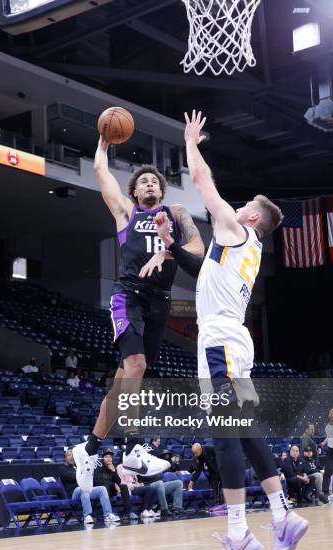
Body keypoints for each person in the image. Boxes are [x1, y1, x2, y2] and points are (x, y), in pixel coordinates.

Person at [154, 110, 308, 550]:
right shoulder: (248, 249)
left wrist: (190, 143)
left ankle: (240, 535)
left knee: (224, 434)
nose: (235, 205)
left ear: (254, 217)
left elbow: (201, 180)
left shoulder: (237, 230)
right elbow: (204, 274)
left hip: (220, 340)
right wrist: (173, 247)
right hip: (237, 341)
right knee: (241, 429)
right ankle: (283, 513)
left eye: (243, 205)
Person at [72, 134, 204, 491]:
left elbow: (198, 247)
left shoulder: (175, 214)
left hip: (160, 302)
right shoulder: (126, 212)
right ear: (135, 192)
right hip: (128, 295)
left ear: (161, 192)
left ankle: (90, 447)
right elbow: (101, 172)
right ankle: (132, 445)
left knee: (123, 384)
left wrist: (168, 249)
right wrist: (101, 142)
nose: (149, 183)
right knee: (138, 366)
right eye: (143, 181)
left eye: (154, 182)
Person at [59, 449, 119, 523]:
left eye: (73, 455)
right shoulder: (63, 468)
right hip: (73, 493)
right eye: (69, 455)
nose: (71, 457)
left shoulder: (79, 467)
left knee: (102, 489)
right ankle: (87, 515)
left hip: (85, 491)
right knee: (83, 489)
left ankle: (108, 515)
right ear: (65, 458)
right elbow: (73, 476)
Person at [93, 449, 138, 520]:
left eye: (110, 457)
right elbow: (98, 481)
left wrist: (114, 471)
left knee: (123, 486)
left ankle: (128, 512)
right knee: (105, 487)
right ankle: (108, 514)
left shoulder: (112, 466)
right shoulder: (98, 467)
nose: (109, 458)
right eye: (107, 456)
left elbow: (119, 481)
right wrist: (113, 484)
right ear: (103, 458)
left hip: (111, 489)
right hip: (101, 491)